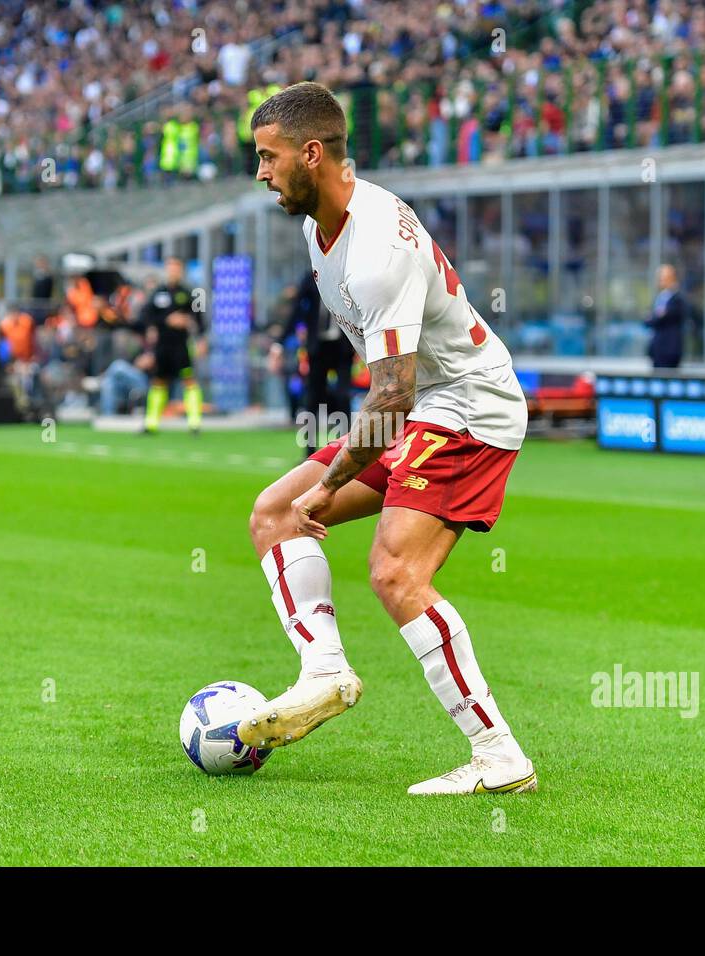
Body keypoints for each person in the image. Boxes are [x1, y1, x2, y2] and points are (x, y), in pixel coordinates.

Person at [245, 82, 535, 796]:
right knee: (274, 514)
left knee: (396, 572)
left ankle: (500, 758)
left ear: (311, 155)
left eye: (268, 157)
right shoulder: (320, 226)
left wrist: (332, 481)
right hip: (422, 407)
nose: (260, 173)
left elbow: (393, 395)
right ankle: (324, 674)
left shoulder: (376, 245)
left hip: (471, 406)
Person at [279, 269, 356, 454]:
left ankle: (343, 452)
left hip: (342, 348)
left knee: (342, 396)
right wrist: (280, 341)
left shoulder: (350, 274)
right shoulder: (312, 276)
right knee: (312, 399)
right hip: (318, 347)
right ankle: (309, 452)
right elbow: (298, 309)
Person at [136, 257, 204, 434]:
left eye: (176, 268)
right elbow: (146, 316)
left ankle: (194, 423)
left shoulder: (192, 293)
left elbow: (200, 318)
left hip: (182, 344)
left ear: (181, 271)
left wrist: (199, 336)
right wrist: (166, 320)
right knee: (159, 381)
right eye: (170, 268)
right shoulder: (158, 292)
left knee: (189, 380)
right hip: (163, 345)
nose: (173, 271)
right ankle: (151, 423)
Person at [644, 263, 687, 369]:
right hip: (656, 350)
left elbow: (662, 317)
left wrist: (656, 316)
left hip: (670, 351)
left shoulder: (678, 299)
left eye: (663, 277)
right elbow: (649, 320)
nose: (660, 280)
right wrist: (657, 316)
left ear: (671, 278)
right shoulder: (659, 298)